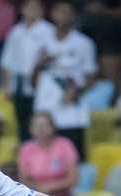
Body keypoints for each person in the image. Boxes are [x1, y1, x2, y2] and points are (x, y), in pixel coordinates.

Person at [31, 0, 97, 158]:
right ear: (52, 15)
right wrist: (38, 65)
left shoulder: (84, 43)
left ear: (74, 16)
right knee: (42, 155)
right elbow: (33, 81)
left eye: (67, 13)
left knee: (72, 155)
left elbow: (90, 79)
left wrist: (76, 91)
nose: (63, 16)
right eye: (60, 12)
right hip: (46, 105)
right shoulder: (43, 43)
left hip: (70, 109)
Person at [0, 0, 55, 142]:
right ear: (22, 10)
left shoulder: (49, 30)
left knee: (39, 117)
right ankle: (25, 149)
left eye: (35, 7)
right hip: (19, 82)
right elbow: (7, 60)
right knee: (22, 120)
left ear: (42, 10)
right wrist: (7, 85)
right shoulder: (16, 31)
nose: (32, 10)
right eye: (29, 7)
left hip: (40, 82)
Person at [17, 112, 79, 196]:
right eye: (36, 126)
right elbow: (23, 180)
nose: (40, 129)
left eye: (44, 125)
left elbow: (74, 178)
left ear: (53, 127)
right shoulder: (26, 149)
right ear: (30, 129)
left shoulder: (65, 145)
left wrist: (50, 188)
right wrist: (39, 189)